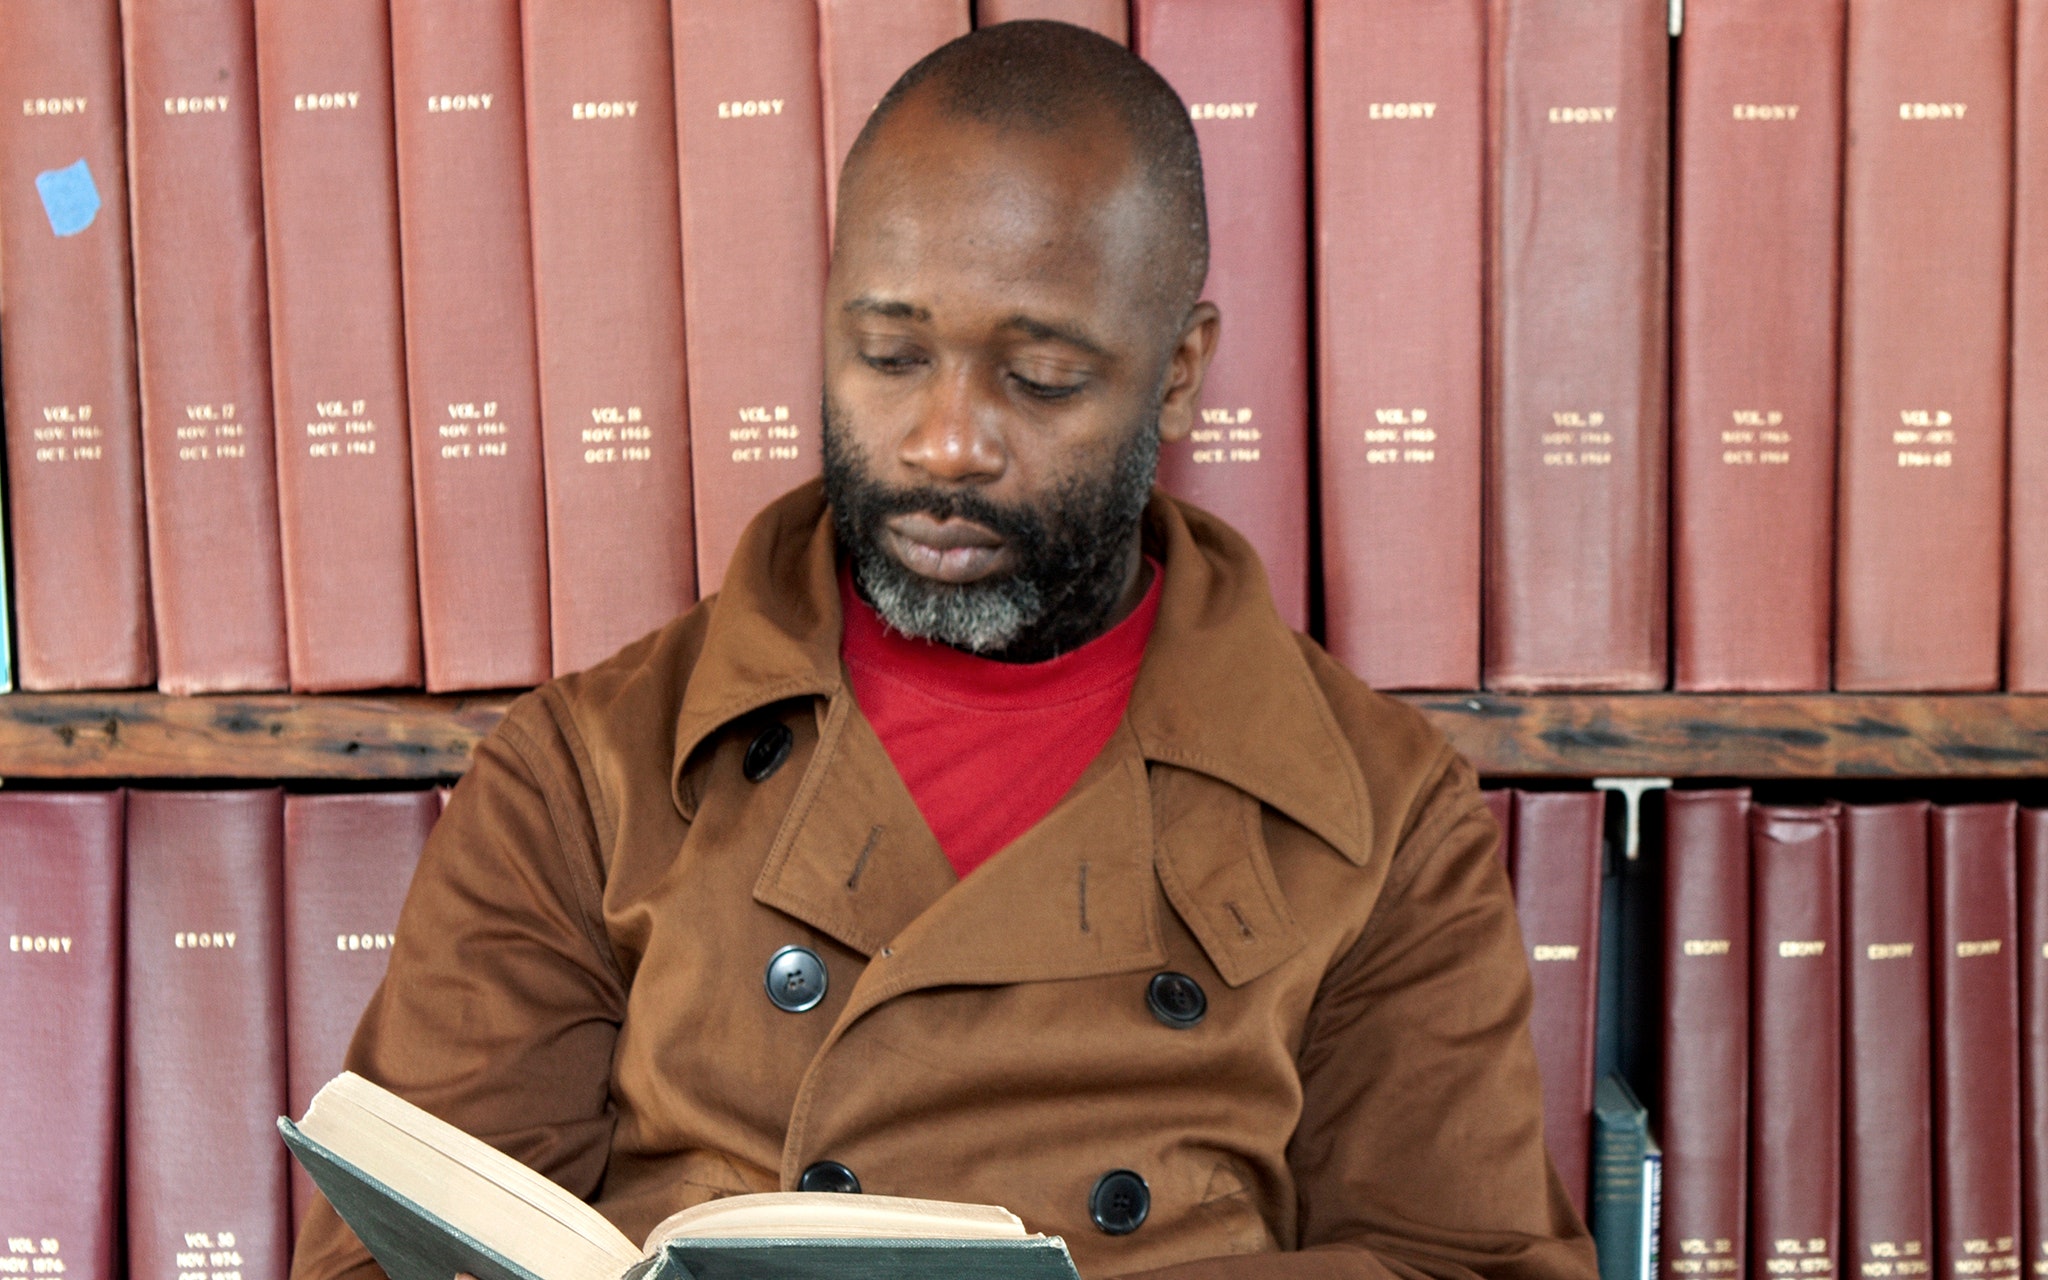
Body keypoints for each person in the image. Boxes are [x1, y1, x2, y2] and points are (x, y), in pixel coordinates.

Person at [290, 20, 1596, 1280]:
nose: (946, 441)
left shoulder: (1380, 812)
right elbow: (389, 1250)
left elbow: (1464, 1267)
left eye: (1037, 377)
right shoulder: (590, 774)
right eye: (890, 354)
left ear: (1181, 371)